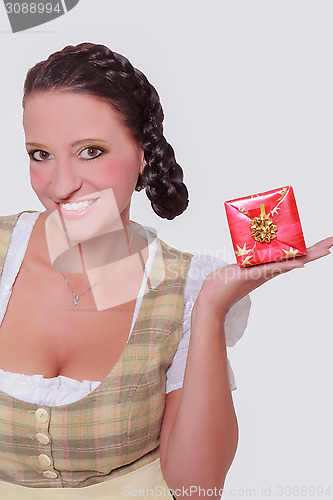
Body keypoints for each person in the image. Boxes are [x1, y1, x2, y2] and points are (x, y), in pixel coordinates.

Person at [0, 42, 331, 499]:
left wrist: (211, 309)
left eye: (90, 151)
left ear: (142, 154)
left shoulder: (185, 287)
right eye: (40, 154)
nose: (61, 184)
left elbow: (197, 489)